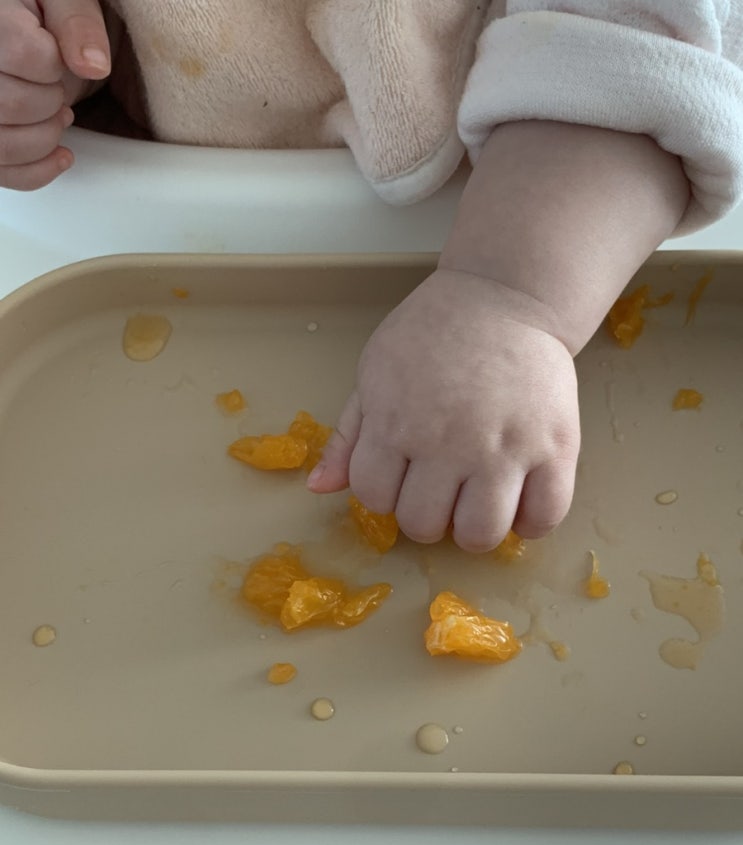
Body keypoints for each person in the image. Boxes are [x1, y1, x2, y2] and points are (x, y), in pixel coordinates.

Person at [1, 1, 741, 552]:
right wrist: (38, 56)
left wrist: (511, 301)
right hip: (145, 246)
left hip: (541, 238)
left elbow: (633, 61)